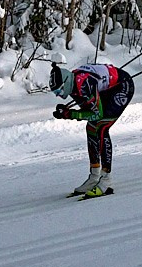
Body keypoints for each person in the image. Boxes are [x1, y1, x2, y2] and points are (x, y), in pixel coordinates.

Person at [49, 58, 134, 196]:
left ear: (65, 83)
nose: (59, 95)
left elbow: (96, 114)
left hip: (122, 86)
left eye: (58, 91)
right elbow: (87, 110)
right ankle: (94, 177)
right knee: (91, 128)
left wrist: (70, 114)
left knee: (101, 126)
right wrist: (68, 112)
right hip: (108, 89)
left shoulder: (84, 84)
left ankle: (106, 180)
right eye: (55, 93)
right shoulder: (73, 85)